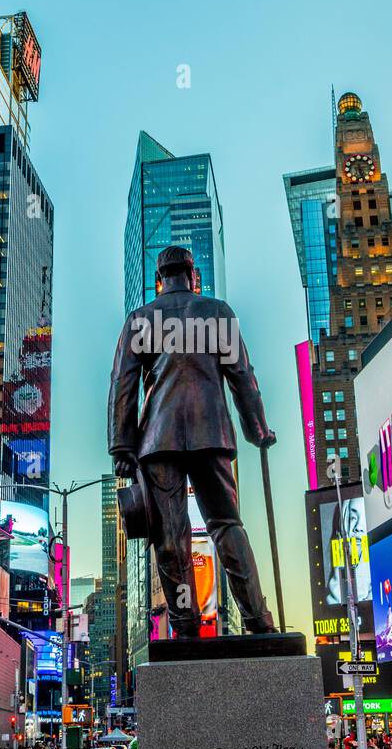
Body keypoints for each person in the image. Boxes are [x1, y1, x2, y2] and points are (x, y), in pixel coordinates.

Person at [108, 245, 278, 635]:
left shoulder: (141, 320)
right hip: (211, 433)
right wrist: (258, 430)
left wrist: (122, 446)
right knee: (226, 524)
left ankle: (184, 626)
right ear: (192, 274)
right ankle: (257, 619)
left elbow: (123, 385)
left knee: (170, 536)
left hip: (158, 439)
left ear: (158, 280)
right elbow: (242, 377)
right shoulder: (217, 312)